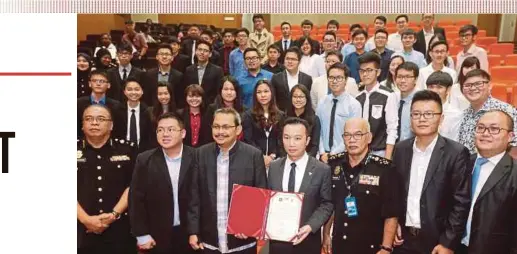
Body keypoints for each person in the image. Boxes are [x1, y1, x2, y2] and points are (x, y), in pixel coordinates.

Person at [392, 90, 471, 254]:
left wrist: (448, 243)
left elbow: (461, 202)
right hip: (403, 240)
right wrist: (393, 224)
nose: (422, 119)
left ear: (441, 118)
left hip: (437, 242)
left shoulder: (456, 153)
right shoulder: (401, 149)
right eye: (416, 114)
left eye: (429, 114)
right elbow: (394, 193)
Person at [188, 107, 268, 254]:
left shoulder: (253, 155)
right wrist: (193, 231)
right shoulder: (200, 154)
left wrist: (250, 226)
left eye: (226, 127)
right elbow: (194, 196)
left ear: (238, 130)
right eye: (216, 127)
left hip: (242, 242)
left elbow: (260, 196)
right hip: (209, 242)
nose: (220, 132)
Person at [324, 117, 400, 254]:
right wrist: (326, 235)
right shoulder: (334, 165)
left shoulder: (383, 169)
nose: (352, 140)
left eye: (358, 135)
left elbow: (391, 213)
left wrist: (386, 247)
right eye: (347, 135)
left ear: (369, 137)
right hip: (339, 244)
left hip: (370, 246)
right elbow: (330, 205)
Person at [129, 112, 196, 254]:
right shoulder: (145, 159)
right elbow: (136, 199)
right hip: (156, 235)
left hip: (190, 235)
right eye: (160, 130)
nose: (165, 134)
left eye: (171, 129)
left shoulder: (197, 157)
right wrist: (141, 234)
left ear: (183, 133)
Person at [268, 117, 333, 254]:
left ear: (307, 141)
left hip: (307, 240)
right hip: (277, 243)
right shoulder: (273, 167)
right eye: (287, 137)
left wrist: (310, 226)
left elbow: (327, 204)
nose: (291, 143)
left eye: (297, 138)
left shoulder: (322, 170)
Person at [77, 104, 137, 254]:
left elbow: (134, 186)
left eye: (100, 119)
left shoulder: (127, 150)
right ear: (82, 125)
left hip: (119, 229)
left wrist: (114, 215)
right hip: (79, 230)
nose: (94, 122)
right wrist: (86, 220)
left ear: (111, 125)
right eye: (89, 119)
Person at [457, 110, 517, 254]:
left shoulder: (514, 174)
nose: (485, 133)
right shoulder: (462, 163)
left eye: (494, 129)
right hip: (455, 247)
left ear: (510, 136)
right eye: (480, 127)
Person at [457, 69, 517, 156]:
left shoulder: (506, 110)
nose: (473, 88)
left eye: (478, 84)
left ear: (489, 86)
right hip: (469, 166)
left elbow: (515, 146)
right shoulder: (464, 114)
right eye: (467, 85)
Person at [355, 52, 398, 159]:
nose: (365, 74)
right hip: (359, 153)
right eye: (362, 71)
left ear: (378, 72)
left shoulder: (388, 95)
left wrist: (387, 157)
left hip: (380, 152)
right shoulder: (357, 98)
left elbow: (392, 128)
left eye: (369, 70)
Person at [316, 63, 362, 163]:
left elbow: (352, 135)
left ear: (346, 80)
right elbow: (317, 130)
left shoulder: (354, 105)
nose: (334, 81)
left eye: (339, 78)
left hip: (344, 156)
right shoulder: (322, 102)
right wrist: (322, 152)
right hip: (322, 156)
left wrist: (333, 154)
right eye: (331, 78)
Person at [242, 79, 285, 169]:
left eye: (266, 91)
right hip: (254, 160)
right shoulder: (248, 115)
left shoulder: (281, 115)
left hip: (275, 160)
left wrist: (272, 156)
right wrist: (261, 156)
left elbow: (281, 139)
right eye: (259, 92)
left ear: (271, 93)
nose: (263, 95)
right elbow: (248, 139)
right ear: (255, 95)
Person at [77, 70, 122, 138]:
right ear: (89, 83)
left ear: (108, 85)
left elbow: (117, 129)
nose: (98, 84)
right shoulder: (78, 103)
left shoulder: (116, 106)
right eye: (94, 81)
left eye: (102, 81)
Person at [202, 76, 246, 144]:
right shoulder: (212, 109)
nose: (229, 92)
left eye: (232, 89)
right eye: (225, 89)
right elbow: (207, 134)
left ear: (236, 92)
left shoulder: (245, 110)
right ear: (220, 91)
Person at [271, 46, 313, 112]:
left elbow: (308, 101)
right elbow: (273, 100)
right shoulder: (276, 78)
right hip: (282, 117)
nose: (289, 61)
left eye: (293, 59)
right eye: (287, 59)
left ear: (299, 61)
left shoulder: (307, 79)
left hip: (302, 118)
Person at [283, 84, 321, 157]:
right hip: (287, 158)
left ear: (307, 98)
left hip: (307, 159)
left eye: (301, 97)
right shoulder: (284, 118)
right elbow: (280, 142)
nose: (298, 100)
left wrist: (304, 160)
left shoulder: (314, 119)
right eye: (295, 97)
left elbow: (314, 145)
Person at [143, 44, 184, 108]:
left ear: (172, 57)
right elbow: (146, 97)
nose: (164, 57)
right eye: (161, 54)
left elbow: (179, 98)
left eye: (167, 54)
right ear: (156, 57)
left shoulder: (179, 76)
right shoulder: (149, 74)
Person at [426, 71, 463, 142]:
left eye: (439, 87)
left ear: (448, 89)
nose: (434, 91)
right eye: (431, 87)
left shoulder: (456, 114)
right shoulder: (421, 111)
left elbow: (455, 142)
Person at [184, 41, 224, 105]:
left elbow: (218, 91)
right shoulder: (189, 69)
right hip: (192, 104)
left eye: (205, 50)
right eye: (200, 50)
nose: (202, 52)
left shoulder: (218, 70)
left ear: (210, 54)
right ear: (196, 52)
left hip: (210, 105)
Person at [118, 78, 153, 152]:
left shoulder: (148, 111)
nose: (133, 92)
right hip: (121, 150)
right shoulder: (117, 110)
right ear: (124, 92)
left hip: (144, 151)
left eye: (137, 89)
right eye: (129, 89)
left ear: (142, 91)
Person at [394, 62, 420, 142]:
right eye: (400, 77)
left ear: (415, 79)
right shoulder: (392, 98)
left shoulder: (421, 100)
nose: (403, 80)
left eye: (407, 77)